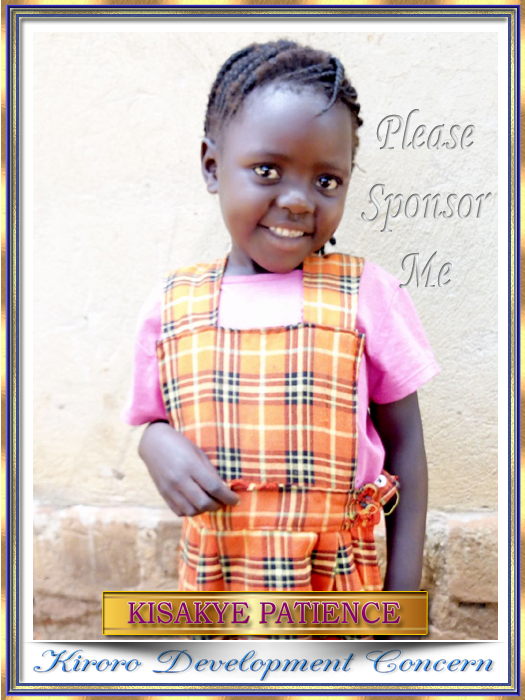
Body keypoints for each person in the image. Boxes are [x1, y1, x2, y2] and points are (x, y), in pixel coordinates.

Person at [122, 41, 439, 600]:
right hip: (216, 593)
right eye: (267, 170)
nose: (298, 201)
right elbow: (155, 420)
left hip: (338, 592)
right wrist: (154, 444)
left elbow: (406, 448)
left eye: (327, 181)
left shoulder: (368, 295)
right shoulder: (171, 306)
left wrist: (402, 603)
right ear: (212, 166)